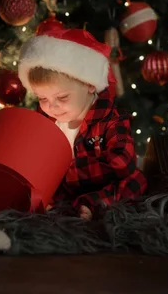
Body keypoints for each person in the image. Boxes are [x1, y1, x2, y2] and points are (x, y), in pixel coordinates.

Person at [18, 28, 147, 220]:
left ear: (89, 84)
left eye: (62, 96)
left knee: (134, 180)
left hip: (102, 185)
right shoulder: (46, 122)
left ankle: (94, 204)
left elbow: (123, 162)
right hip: (63, 188)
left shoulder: (110, 119)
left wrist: (74, 170)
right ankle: (59, 204)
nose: (51, 106)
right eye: (42, 98)